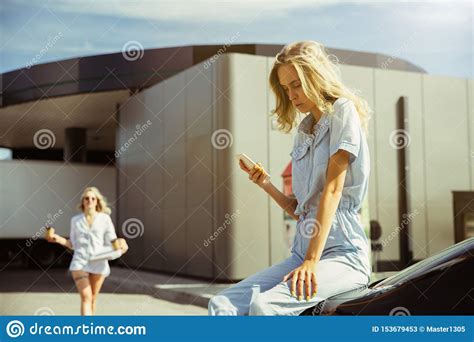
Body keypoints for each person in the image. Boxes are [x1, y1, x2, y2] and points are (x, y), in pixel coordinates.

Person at [208, 40, 372, 315]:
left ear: (315, 76)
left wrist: (311, 261)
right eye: (286, 88)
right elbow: (301, 211)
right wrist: (265, 184)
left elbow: (332, 190)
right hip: (302, 252)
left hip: (343, 254)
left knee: (264, 307)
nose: (291, 94)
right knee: (221, 304)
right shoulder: (304, 132)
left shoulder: (343, 111)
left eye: (296, 84)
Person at [47, 186, 128, 315]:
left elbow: (113, 241)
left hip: (99, 261)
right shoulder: (75, 220)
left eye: (92, 198)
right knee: (86, 297)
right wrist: (57, 239)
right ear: (83, 201)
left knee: (93, 299)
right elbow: (72, 243)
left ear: (97, 201)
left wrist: (121, 243)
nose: (89, 200)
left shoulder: (105, 219)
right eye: (86, 198)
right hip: (80, 261)